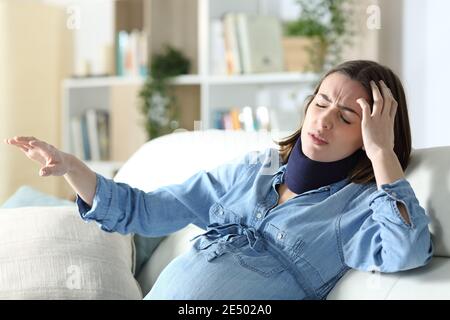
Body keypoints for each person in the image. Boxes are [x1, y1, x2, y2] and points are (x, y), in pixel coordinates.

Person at [4, 60, 433, 300]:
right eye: (320, 102)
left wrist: (382, 154)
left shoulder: (357, 208)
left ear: (371, 132)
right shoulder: (253, 171)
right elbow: (145, 210)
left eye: (346, 117)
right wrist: (72, 168)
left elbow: (407, 251)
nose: (322, 121)